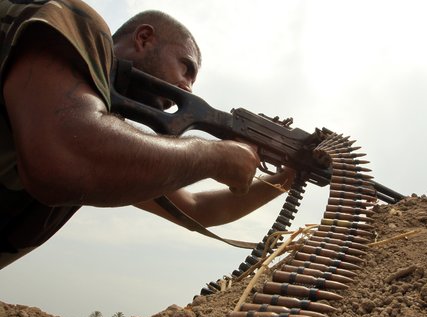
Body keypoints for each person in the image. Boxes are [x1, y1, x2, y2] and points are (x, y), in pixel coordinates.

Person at [0, 0, 295, 269]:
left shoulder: (105, 142)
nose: (188, 87)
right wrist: (215, 156)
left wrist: (288, 176)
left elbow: (198, 209)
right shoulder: (79, 23)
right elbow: (64, 157)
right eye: (186, 68)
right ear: (143, 38)